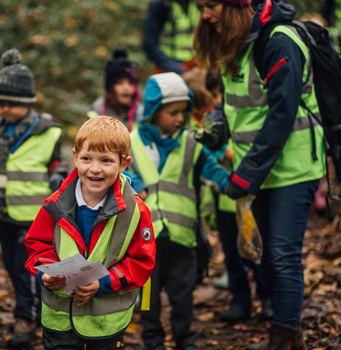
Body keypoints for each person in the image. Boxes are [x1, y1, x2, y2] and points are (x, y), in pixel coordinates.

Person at [193, 0, 325, 349]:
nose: (205, 15)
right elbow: (233, 105)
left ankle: (282, 339)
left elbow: (282, 114)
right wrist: (216, 129)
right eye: (200, 6)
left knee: (282, 254)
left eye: (210, 5)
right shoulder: (237, 44)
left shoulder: (279, 42)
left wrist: (246, 173)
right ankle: (287, 336)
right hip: (260, 170)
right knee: (266, 255)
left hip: (292, 169)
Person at [0, 48, 68, 349]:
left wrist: (56, 177)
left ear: (26, 102)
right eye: (0, 104)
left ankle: (27, 319)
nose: (4, 109)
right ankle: (32, 313)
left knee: (28, 271)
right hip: (3, 215)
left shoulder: (47, 132)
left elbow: (58, 165)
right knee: (12, 269)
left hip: (34, 217)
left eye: (11, 104)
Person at [24, 116, 156, 350]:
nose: (94, 169)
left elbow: (141, 261)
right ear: (75, 157)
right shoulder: (55, 204)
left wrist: (102, 282)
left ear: (123, 164)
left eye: (106, 160)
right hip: (59, 318)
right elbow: (38, 244)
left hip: (105, 321)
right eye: (86, 159)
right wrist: (45, 274)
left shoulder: (136, 210)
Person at [128, 72, 230, 350]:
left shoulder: (189, 142)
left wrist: (231, 183)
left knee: (183, 293)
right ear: (153, 111)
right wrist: (135, 183)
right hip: (145, 239)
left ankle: (185, 339)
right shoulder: (132, 141)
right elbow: (122, 172)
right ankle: (153, 340)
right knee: (148, 295)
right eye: (172, 112)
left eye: (183, 112)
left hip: (183, 237)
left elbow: (211, 168)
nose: (178, 118)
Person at [186, 68, 271, 321]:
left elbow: (243, 141)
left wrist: (229, 152)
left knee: (256, 247)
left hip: (248, 195)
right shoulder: (201, 122)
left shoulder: (233, 113)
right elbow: (202, 152)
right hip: (224, 200)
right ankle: (240, 299)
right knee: (232, 254)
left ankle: (267, 297)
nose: (213, 104)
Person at [87, 48, 143, 132]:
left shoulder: (142, 115)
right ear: (110, 88)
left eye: (130, 83)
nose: (126, 87)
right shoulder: (96, 111)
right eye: (120, 83)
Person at [143, 0, 200, 75]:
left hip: (193, 64)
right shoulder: (161, 5)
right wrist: (174, 68)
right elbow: (149, 43)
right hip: (167, 65)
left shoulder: (198, 4)